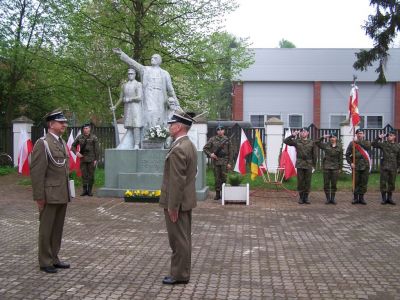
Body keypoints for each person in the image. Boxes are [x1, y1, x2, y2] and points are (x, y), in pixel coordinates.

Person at [30, 109, 71, 273]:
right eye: (61, 122)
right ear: (51, 124)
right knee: (46, 229)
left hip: (61, 193)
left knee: (57, 229)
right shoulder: (43, 143)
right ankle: (45, 261)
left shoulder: (60, 142)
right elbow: (37, 172)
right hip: (49, 194)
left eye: (64, 122)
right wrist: (39, 197)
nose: (64, 125)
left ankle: (54, 257)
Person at [159, 111, 197, 285]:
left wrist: (172, 206)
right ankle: (182, 272)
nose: (169, 126)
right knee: (184, 237)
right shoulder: (188, 145)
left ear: (179, 126)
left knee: (178, 240)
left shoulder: (179, 149)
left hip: (177, 202)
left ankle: (179, 274)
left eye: (171, 124)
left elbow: (176, 181)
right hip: (185, 200)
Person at [112, 48, 180, 129]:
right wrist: (121, 54)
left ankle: (159, 134)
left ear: (159, 61)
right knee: (149, 115)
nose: (152, 59)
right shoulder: (145, 69)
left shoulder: (165, 73)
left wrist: (177, 103)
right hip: (148, 97)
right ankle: (148, 135)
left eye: (155, 58)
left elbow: (170, 89)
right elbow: (133, 63)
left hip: (160, 98)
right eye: (151, 57)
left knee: (160, 116)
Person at [111, 68, 143, 149]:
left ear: (135, 74)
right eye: (129, 74)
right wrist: (115, 106)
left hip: (136, 108)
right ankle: (128, 142)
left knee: (136, 125)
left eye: (132, 73)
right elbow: (121, 98)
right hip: (127, 108)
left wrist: (130, 99)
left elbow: (140, 97)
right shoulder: (124, 85)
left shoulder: (138, 84)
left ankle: (136, 144)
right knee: (129, 126)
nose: (130, 75)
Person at [284, 127, 316, 204]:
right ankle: (301, 197)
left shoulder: (312, 142)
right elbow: (286, 141)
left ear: (308, 133)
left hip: (308, 163)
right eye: (301, 132)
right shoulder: (297, 141)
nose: (303, 133)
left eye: (305, 132)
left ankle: (306, 197)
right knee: (300, 181)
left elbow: (314, 154)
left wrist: (314, 165)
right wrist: (293, 135)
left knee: (307, 181)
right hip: (300, 163)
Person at [203, 124, 233, 200]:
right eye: (218, 130)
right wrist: (211, 154)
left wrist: (229, 163)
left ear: (224, 131)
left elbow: (231, 152)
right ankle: (217, 194)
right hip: (216, 161)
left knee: (224, 178)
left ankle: (223, 194)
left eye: (221, 129)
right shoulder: (212, 139)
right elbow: (205, 148)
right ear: (217, 131)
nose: (220, 131)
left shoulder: (227, 139)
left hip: (225, 161)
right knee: (217, 178)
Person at [372, 130, 400, 205]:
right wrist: (378, 137)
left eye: (391, 135)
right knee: (383, 183)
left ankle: (389, 198)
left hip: (393, 168)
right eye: (388, 136)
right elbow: (373, 144)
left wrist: (398, 167)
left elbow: (399, 158)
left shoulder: (398, 146)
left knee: (391, 183)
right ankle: (384, 199)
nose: (389, 137)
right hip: (385, 167)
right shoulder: (384, 144)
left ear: (394, 136)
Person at [71, 123, 99, 196]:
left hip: (91, 159)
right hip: (83, 159)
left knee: (91, 175)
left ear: (89, 129)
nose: (85, 130)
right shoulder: (80, 137)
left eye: (87, 128)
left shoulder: (94, 137)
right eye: (84, 128)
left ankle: (89, 190)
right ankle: (84, 190)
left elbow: (97, 149)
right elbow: (73, 146)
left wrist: (96, 159)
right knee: (84, 175)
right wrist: (76, 153)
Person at [346, 129, 371, 205]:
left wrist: (358, 142)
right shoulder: (352, 143)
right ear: (356, 134)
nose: (360, 135)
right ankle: (355, 198)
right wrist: (351, 163)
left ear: (363, 135)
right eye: (358, 133)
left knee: (363, 182)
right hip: (356, 166)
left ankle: (362, 198)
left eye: (361, 133)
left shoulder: (367, 142)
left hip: (365, 166)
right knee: (355, 183)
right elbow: (347, 155)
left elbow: (368, 148)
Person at [315, 133, 343, 204]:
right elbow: (317, 142)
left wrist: (340, 168)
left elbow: (340, 158)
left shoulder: (339, 147)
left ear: (336, 138)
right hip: (327, 167)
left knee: (334, 184)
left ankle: (332, 199)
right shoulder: (326, 145)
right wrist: (323, 137)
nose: (332, 139)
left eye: (333, 137)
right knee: (326, 184)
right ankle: (328, 199)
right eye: (331, 137)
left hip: (335, 168)